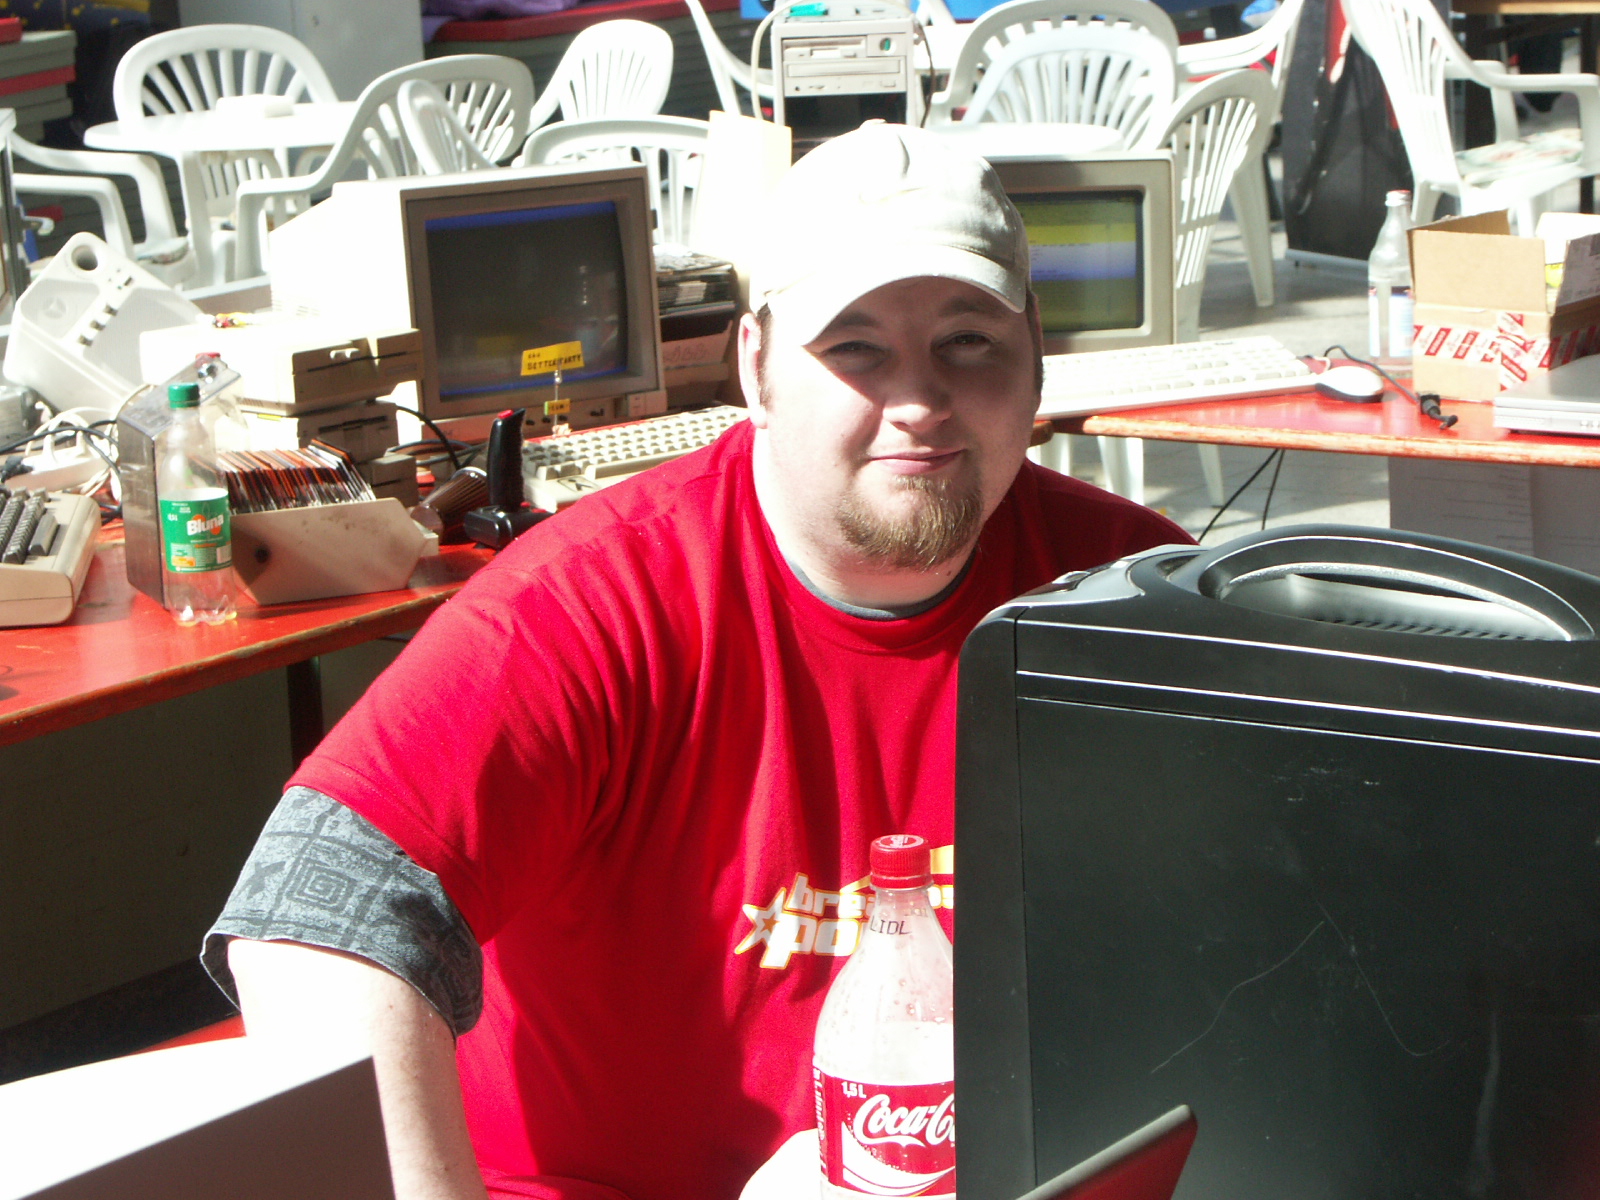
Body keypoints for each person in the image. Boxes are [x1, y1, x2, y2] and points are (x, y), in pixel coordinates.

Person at [204, 121, 1190, 1200]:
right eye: (856, 348)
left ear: (1035, 348)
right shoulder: (590, 603)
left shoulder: (1133, 595)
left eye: (968, 340)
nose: (919, 401)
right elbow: (313, 926)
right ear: (756, 367)